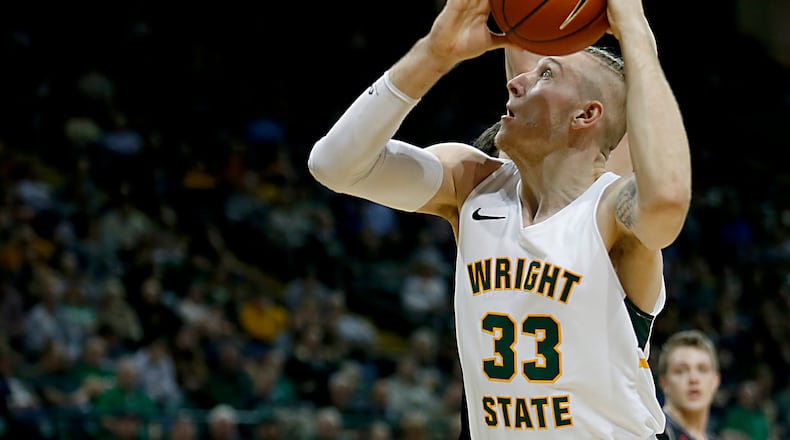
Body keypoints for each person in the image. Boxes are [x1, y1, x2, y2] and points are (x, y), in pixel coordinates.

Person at [308, 0, 691, 436]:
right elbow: (333, 166)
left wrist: (637, 34)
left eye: (547, 74)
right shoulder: (472, 185)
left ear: (586, 115)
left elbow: (669, 201)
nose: (515, 84)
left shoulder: (610, 211)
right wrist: (433, 55)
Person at [656, 329, 721, 440]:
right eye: (681, 371)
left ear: (715, 381)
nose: (693, 379)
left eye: (702, 370)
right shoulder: (649, 433)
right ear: (664, 383)